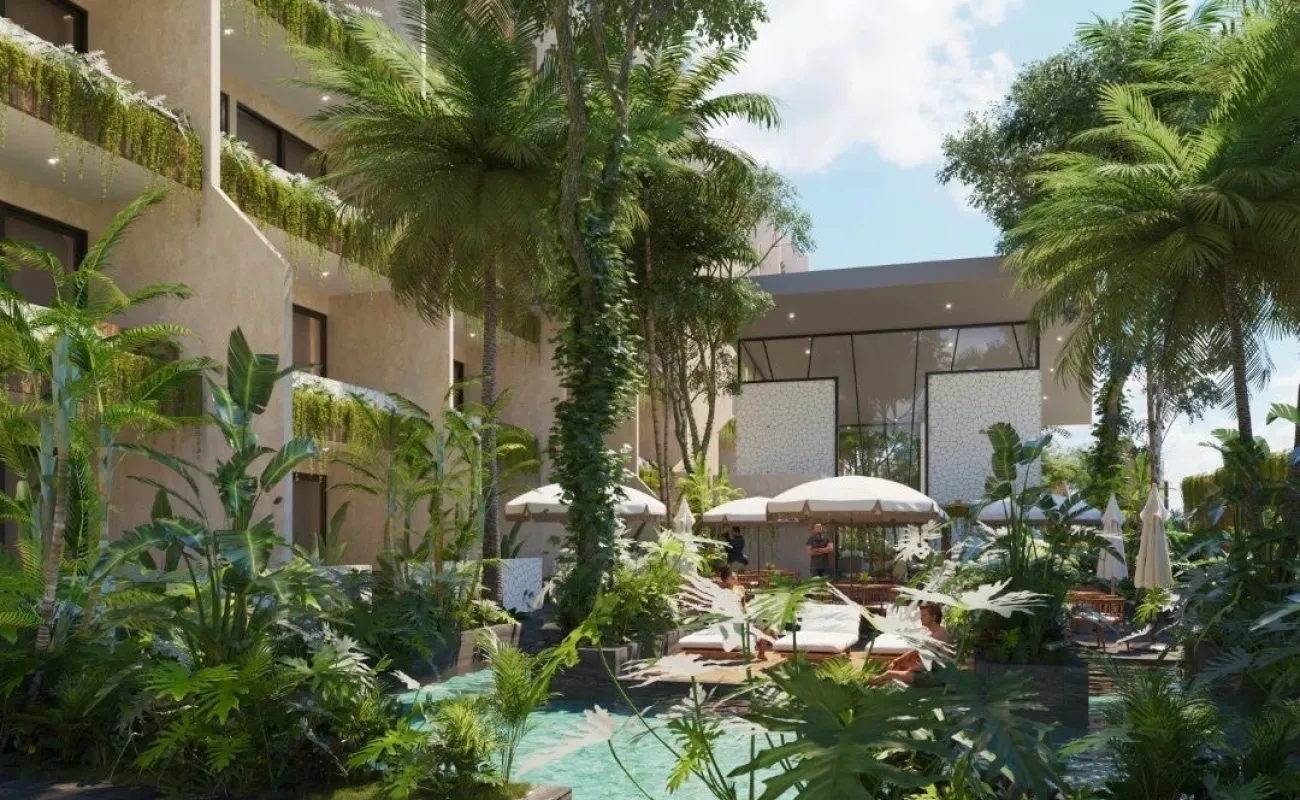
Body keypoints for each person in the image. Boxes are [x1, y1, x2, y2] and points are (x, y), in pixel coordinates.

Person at [870, 603, 952, 686]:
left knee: (890, 674)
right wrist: (897, 661)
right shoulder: (935, 631)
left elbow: (927, 664)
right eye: (920, 615)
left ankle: (871, 683)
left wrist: (908, 669)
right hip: (930, 670)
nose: (920, 617)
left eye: (924, 615)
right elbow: (917, 651)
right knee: (897, 668)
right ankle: (876, 683)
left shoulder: (939, 635)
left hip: (936, 676)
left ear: (933, 616)